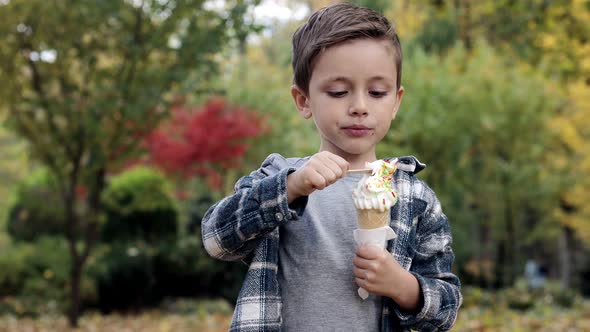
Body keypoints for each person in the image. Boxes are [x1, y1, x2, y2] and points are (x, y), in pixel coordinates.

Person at [202, 3, 462, 331]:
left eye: (377, 92)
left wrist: (405, 287)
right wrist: (291, 187)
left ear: (396, 101)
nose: (359, 107)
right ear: (304, 100)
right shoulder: (278, 178)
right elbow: (215, 239)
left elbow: (446, 308)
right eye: (338, 92)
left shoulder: (415, 197)